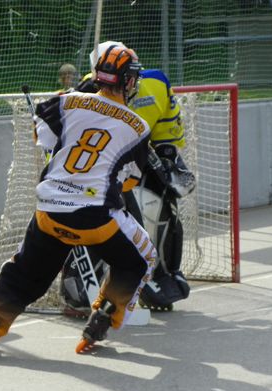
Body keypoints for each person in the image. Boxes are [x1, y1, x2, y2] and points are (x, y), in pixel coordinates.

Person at [0, 44, 156, 356]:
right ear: (128, 80)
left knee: (27, 274)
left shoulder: (65, 101)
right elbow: (129, 181)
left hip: (49, 212)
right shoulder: (138, 126)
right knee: (141, 259)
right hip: (97, 220)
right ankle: (105, 314)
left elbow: (43, 139)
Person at [61, 40, 196, 312]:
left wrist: (168, 157)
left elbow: (167, 136)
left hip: (137, 160)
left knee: (164, 205)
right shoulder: (83, 94)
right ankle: (81, 284)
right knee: (104, 221)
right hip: (98, 172)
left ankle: (162, 275)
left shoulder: (156, 84)